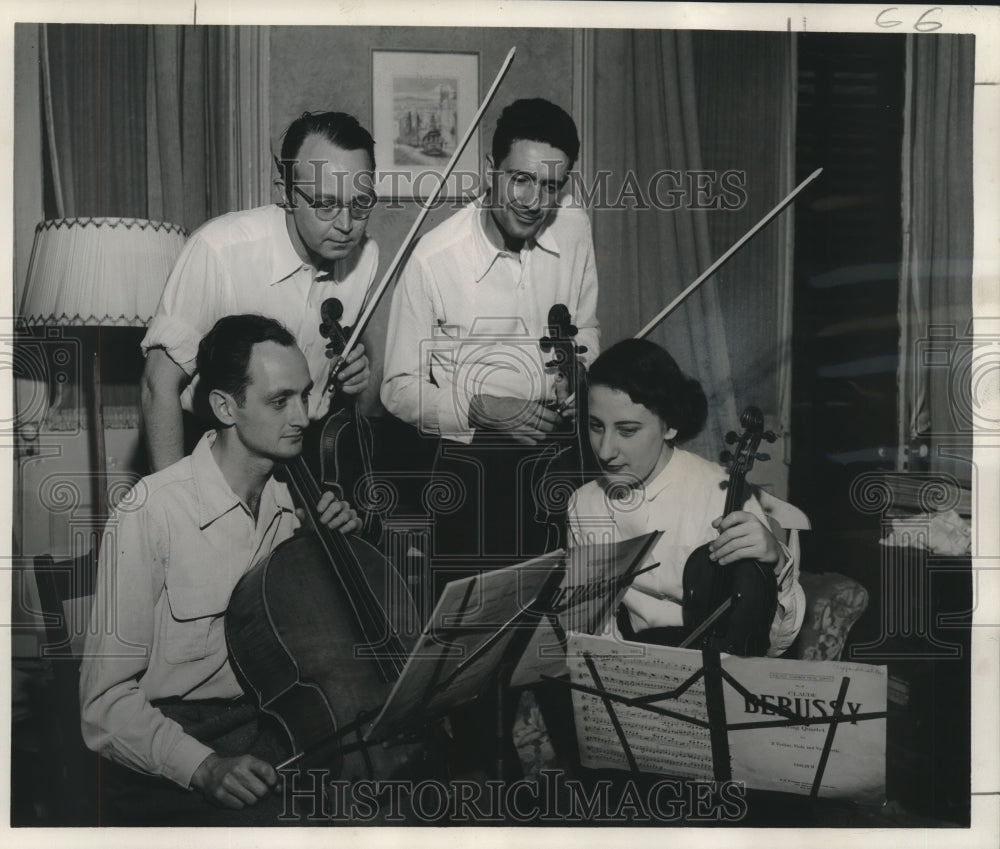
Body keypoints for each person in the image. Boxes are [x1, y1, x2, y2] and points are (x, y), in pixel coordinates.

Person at [80, 315, 362, 825]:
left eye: (305, 395)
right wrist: (204, 767)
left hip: (274, 726)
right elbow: (104, 706)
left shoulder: (294, 505)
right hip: (178, 745)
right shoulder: (152, 510)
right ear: (225, 407)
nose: (302, 416)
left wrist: (345, 547)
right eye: (280, 401)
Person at [381, 97, 600, 572]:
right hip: (476, 472)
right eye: (520, 180)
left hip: (563, 454)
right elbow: (397, 389)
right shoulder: (433, 259)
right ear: (490, 170)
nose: (535, 203)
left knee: (569, 607)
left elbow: (585, 327)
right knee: (478, 622)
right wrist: (480, 405)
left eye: (551, 186)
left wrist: (578, 371)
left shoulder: (575, 228)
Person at [141, 111, 377, 473]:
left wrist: (350, 375)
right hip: (213, 446)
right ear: (285, 193)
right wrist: (174, 504)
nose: (346, 225)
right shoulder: (219, 250)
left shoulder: (366, 257)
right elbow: (158, 385)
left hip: (303, 453)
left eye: (360, 204)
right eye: (326, 204)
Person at [567, 338, 804, 655]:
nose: (605, 451)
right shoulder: (584, 504)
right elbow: (595, 626)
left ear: (670, 426)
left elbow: (775, 644)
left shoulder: (722, 495)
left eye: (627, 431)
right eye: (596, 426)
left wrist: (777, 566)